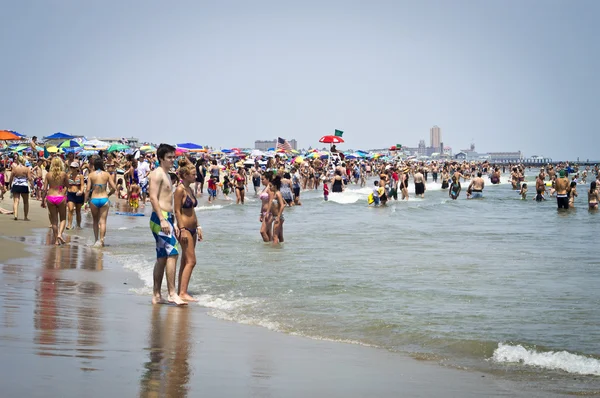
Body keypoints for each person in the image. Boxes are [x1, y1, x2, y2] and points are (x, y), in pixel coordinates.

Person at [148, 144, 186, 306]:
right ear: (161, 158)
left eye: (173, 157)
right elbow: (153, 198)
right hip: (160, 218)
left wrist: (173, 222)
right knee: (173, 253)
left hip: (166, 218)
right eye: (169, 157)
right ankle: (171, 293)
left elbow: (167, 200)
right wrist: (163, 220)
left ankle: (156, 295)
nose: (173, 160)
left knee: (162, 258)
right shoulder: (157, 174)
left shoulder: (167, 175)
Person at [174, 158, 202, 302]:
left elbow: (192, 210)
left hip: (192, 229)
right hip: (184, 229)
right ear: (184, 176)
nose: (195, 176)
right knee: (192, 261)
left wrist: (198, 226)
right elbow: (177, 211)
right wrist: (182, 229)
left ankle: (181, 290)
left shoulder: (190, 189)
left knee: (186, 261)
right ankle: (183, 293)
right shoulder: (180, 190)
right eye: (192, 174)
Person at [85, 157, 117, 247]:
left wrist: (85, 201)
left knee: (95, 221)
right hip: (104, 199)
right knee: (103, 222)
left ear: (95, 165)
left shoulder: (91, 175)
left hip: (94, 199)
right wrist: (109, 194)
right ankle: (102, 241)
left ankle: (96, 240)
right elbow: (114, 188)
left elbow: (87, 189)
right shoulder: (106, 174)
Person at [42, 157, 69, 245]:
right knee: (63, 218)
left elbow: (45, 189)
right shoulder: (64, 174)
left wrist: (42, 200)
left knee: (54, 220)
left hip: (50, 197)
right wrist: (63, 191)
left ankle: (56, 240)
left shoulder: (48, 174)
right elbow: (67, 186)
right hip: (60, 197)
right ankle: (60, 234)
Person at [8, 156, 32, 220]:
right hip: (24, 185)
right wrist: (32, 185)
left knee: (16, 201)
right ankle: (25, 217)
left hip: (16, 185)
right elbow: (30, 178)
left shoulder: (15, 168)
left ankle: (15, 215)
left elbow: (11, 178)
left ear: (18, 161)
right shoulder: (27, 169)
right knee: (26, 202)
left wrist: (10, 185)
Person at [66, 161, 85, 229]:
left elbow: (82, 185)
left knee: (78, 211)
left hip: (78, 194)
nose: (72, 169)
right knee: (70, 209)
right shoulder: (68, 175)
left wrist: (82, 191)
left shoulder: (80, 176)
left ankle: (78, 225)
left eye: (73, 168)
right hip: (70, 193)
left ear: (76, 168)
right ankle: (69, 224)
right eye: (71, 167)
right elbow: (66, 185)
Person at [270, 176, 285, 245]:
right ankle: (281, 251)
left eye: (271, 186)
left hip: (278, 217)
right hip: (276, 216)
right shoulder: (275, 193)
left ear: (275, 186)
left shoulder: (278, 194)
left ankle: (274, 252)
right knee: (280, 236)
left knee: (275, 236)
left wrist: (278, 217)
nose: (270, 187)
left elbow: (282, 205)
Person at [259, 173, 273, 242]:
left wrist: (267, 213)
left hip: (269, 213)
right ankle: (270, 249)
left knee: (262, 231)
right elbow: (263, 203)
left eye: (263, 179)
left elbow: (271, 201)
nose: (261, 181)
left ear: (268, 179)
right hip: (264, 212)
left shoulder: (270, 188)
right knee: (268, 232)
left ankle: (267, 247)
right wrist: (261, 214)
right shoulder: (264, 188)